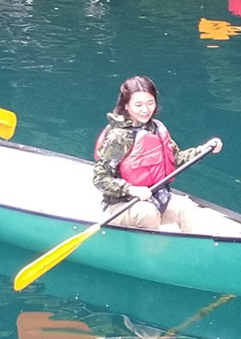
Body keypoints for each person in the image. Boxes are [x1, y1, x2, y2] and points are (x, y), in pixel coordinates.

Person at [93, 75, 223, 233]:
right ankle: (148, 255)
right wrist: (131, 189)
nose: (145, 110)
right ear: (126, 105)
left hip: (155, 198)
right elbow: (100, 178)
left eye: (150, 103)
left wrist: (202, 150)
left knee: (185, 207)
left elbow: (175, 159)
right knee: (147, 213)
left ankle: (200, 251)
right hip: (121, 206)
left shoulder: (156, 129)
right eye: (138, 104)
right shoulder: (119, 137)